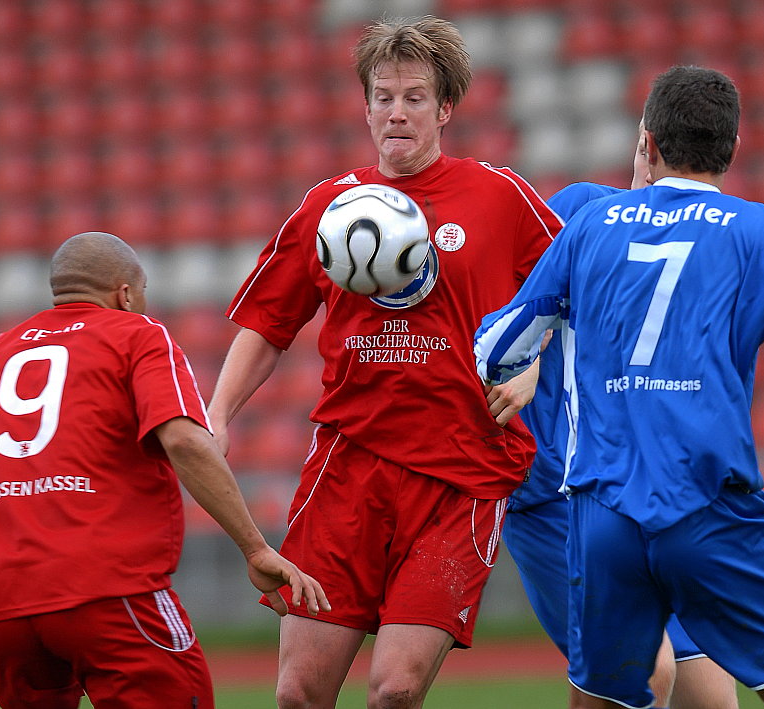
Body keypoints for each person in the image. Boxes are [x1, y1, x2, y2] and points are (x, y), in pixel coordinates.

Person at [208, 15, 563, 709]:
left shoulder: (500, 196)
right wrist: (218, 413)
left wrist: (535, 367)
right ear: (366, 106)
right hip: (348, 470)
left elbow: (578, 290)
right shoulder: (328, 206)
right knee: (298, 694)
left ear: (446, 108)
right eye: (383, 96)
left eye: (414, 97)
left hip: (463, 472)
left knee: (395, 690)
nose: (396, 112)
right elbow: (267, 322)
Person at [475, 65, 764, 709]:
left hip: (605, 511)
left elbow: (499, 342)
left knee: (665, 695)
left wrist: (520, 358)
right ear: (730, 148)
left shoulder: (592, 226)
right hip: (698, 503)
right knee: (669, 676)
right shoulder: (755, 231)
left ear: (647, 141)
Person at [0, 231, 329, 708]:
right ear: (125, 294)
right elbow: (184, 439)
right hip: (107, 588)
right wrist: (254, 547)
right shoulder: (137, 334)